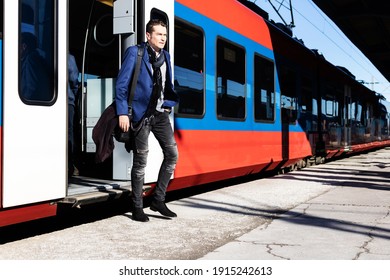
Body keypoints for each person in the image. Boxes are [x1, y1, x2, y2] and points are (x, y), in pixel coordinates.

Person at [115, 19, 179, 222]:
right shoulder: (136, 53)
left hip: (160, 114)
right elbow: (122, 84)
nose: (163, 38)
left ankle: (158, 199)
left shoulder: (166, 57)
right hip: (140, 114)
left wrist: (168, 102)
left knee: (172, 154)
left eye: (165, 35)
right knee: (141, 161)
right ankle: (137, 207)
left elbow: (169, 85)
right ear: (148, 35)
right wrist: (122, 112)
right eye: (159, 34)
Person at [20, 32, 51, 101]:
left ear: (24, 46)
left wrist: (23, 101)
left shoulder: (30, 59)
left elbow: (30, 86)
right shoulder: (36, 58)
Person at [68, 53, 80, 177]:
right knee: (69, 133)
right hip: (67, 100)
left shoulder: (43, 55)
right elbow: (73, 80)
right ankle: (70, 165)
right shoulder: (69, 58)